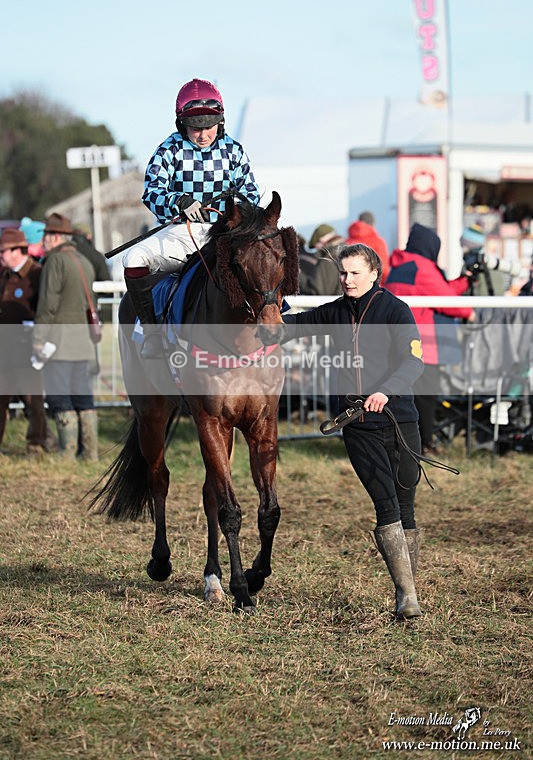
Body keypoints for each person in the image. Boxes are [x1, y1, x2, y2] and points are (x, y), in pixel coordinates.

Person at [281, 244, 425, 620]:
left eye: (355, 273)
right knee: (386, 505)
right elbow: (291, 326)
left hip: (400, 420)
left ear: (374, 273)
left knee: (406, 507)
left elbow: (414, 361)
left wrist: (385, 391)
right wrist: (267, 307)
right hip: (357, 426)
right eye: (343, 273)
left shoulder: (396, 311)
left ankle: (410, 586)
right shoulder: (334, 312)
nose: (346, 280)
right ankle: (406, 597)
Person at [122, 78, 260, 358]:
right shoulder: (168, 150)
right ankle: (151, 333)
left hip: (224, 236)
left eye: (208, 126)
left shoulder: (234, 150)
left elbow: (252, 193)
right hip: (181, 234)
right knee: (132, 259)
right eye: (195, 128)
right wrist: (179, 202)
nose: (202, 134)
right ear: (181, 124)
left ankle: (274, 318)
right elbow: (152, 192)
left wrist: (231, 211)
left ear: (220, 121)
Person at [385, 223, 475, 454]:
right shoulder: (422, 267)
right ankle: (425, 443)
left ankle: (402, 442)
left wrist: (463, 281)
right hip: (422, 345)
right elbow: (448, 302)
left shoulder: (400, 265)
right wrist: (470, 312)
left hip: (397, 343)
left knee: (402, 396)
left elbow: (437, 291)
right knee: (425, 398)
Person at [33, 213, 99, 460]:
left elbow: (48, 305)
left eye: (47, 235)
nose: (44, 240)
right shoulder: (84, 261)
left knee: (60, 395)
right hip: (83, 341)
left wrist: (39, 338)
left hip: (59, 341)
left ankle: (67, 452)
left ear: (57, 237)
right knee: (83, 395)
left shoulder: (55, 262)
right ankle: (90, 452)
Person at [0, 228, 56, 454]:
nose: (1, 254)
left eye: (4, 250)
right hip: (4, 350)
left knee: (33, 402)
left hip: (27, 350)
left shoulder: (36, 273)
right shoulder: (4, 275)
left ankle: (37, 443)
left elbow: (44, 309)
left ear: (17, 250)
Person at [299, 223, 344, 295]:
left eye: (316, 245)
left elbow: (317, 291)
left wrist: (298, 275)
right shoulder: (347, 253)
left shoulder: (327, 261)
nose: (316, 249)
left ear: (321, 241)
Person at [345, 211, 390, 281]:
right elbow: (383, 268)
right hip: (371, 284)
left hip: (350, 284)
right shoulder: (378, 242)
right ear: (373, 224)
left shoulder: (347, 242)